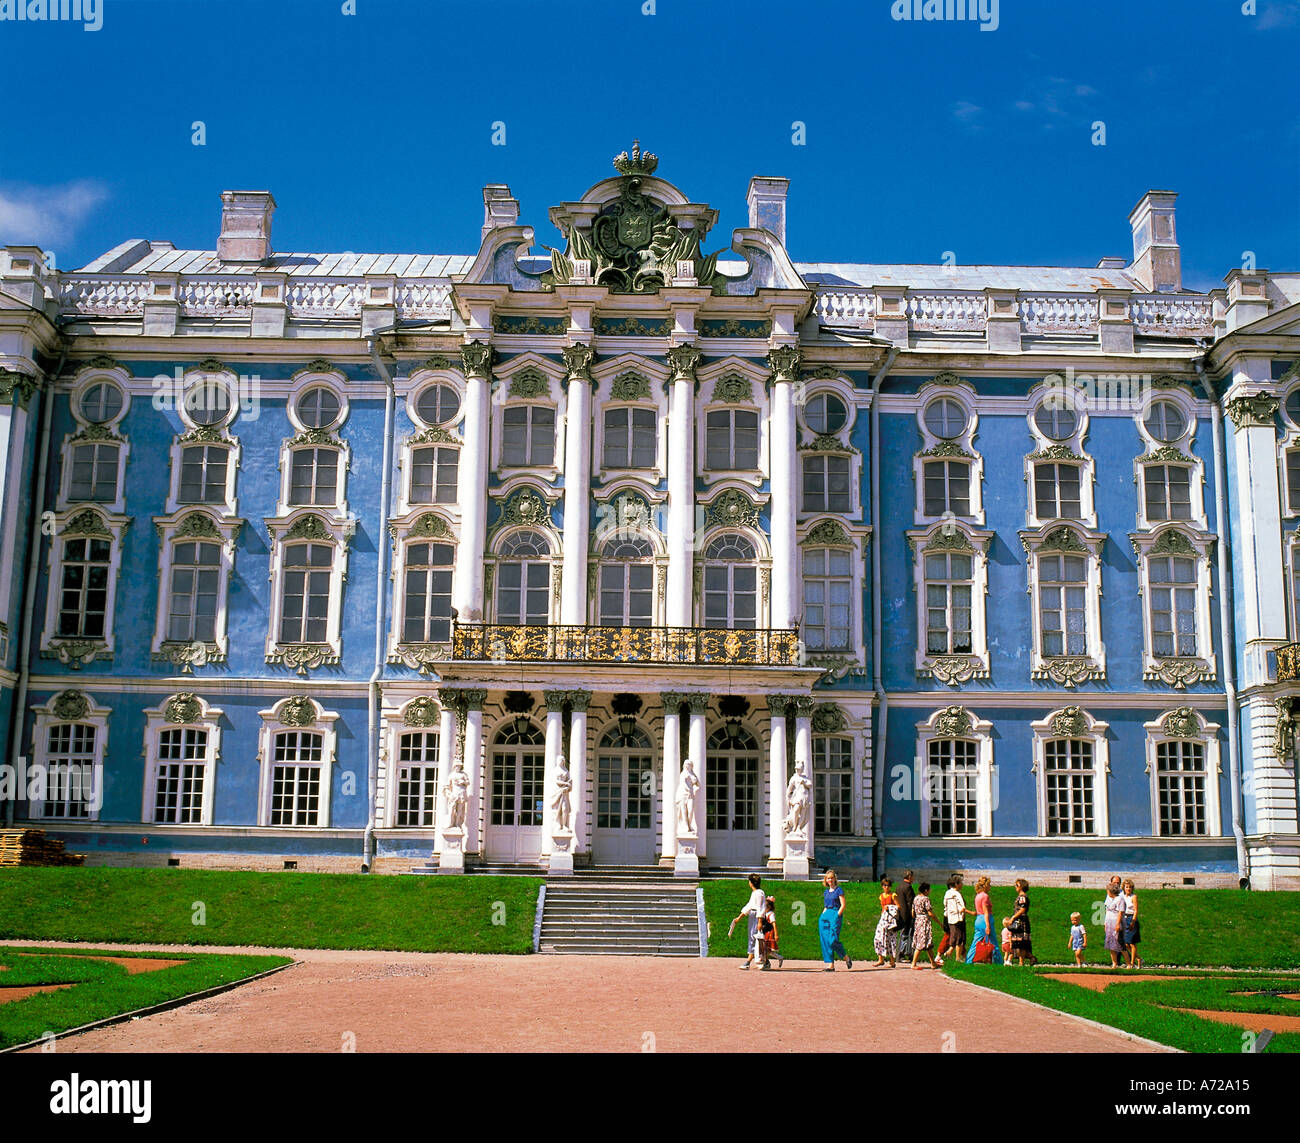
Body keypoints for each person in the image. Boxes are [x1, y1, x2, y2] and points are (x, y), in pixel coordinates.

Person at [731, 873, 768, 970]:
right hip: (752, 915)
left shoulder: (759, 893)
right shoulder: (755, 893)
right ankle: (765, 961)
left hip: (756, 916)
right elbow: (749, 906)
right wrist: (739, 917)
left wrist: (760, 921)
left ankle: (748, 961)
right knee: (754, 937)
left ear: (751, 883)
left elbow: (760, 908)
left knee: (755, 938)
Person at [965, 875, 1002, 965]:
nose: (990, 886)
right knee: (993, 942)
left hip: (978, 919)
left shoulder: (977, 896)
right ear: (985, 885)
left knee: (976, 942)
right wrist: (988, 925)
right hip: (985, 920)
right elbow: (985, 911)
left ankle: (968, 961)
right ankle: (999, 962)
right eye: (989, 884)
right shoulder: (985, 896)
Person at [819, 870, 852, 970]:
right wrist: (822, 915)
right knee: (825, 940)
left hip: (835, 914)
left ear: (835, 879)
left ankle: (846, 957)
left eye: (832, 878)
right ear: (826, 880)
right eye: (828, 878)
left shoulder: (839, 890)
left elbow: (843, 905)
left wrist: (837, 915)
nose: (830, 880)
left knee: (832, 940)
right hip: (825, 916)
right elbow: (825, 906)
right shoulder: (826, 892)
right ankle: (830, 964)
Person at [943, 874, 974, 962]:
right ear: (956, 884)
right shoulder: (957, 894)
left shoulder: (947, 893)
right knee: (960, 939)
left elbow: (944, 904)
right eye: (960, 883)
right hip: (959, 918)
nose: (962, 885)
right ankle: (957, 957)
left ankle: (949, 952)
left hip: (950, 918)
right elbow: (962, 906)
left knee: (953, 936)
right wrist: (968, 912)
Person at [910, 882, 938, 970]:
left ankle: (933, 963)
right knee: (921, 942)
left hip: (917, 920)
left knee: (927, 942)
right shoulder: (926, 899)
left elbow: (912, 912)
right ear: (926, 890)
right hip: (924, 921)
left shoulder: (916, 898)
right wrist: (938, 921)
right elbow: (930, 912)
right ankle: (913, 963)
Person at [873, 877, 899, 968]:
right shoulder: (881, 896)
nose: (886, 887)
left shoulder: (893, 895)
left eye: (888, 885)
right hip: (883, 919)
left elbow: (898, 906)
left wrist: (890, 907)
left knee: (891, 940)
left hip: (891, 920)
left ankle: (892, 961)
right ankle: (880, 959)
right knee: (878, 938)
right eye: (884, 885)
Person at [1008, 877, 1035, 966]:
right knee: (1018, 942)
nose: (1015, 887)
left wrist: (1013, 917)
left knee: (1022, 942)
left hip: (1021, 920)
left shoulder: (1023, 897)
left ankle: (1021, 962)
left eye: (1017, 885)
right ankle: (1030, 958)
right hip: (1019, 920)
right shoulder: (1019, 897)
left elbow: (1022, 909)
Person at [1121, 878, 1142, 968]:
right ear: (1124, 888)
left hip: (1131, 918)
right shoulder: (1122, 896)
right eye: (1126, 887)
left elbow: (1136, 910)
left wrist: (1133, 921)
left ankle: (1132, 963)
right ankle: (1138, 958)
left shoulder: (1134, 897)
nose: (1128, 889)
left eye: (1130, 887)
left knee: (1132, 943)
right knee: (1126, 943)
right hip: (1124, 918)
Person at [1103, 880, 1125, 968]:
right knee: (1111, 944)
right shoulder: (1109, 899)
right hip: (1109, 922)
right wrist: (1105, 923)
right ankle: (1114, 963)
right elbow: (1107, 910)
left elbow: (1120, 912)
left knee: (1119, 944)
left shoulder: (1119, 899)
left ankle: (1128, 963)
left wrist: (1117, 924)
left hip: (1115, 922)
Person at [896, 870, 916, 959]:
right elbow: (910, 901)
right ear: (909, 877)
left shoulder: (899, 887)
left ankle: (903, 952)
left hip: (900, 913)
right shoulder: (908, 887)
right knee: (907, 933)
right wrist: (913, 912)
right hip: (907, 914)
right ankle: (903, 952)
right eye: (912, 876)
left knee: (903, 933)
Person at [761, 895, 783, 969]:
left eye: (765, 907)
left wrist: (776, 934)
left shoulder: (771, 914)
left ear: (769, 907)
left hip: (770, 933)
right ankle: (779, 957)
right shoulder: (765, 913)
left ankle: (766, 963)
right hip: (766, 932)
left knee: (767, 949)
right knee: (767, 950)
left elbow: (774, 924)